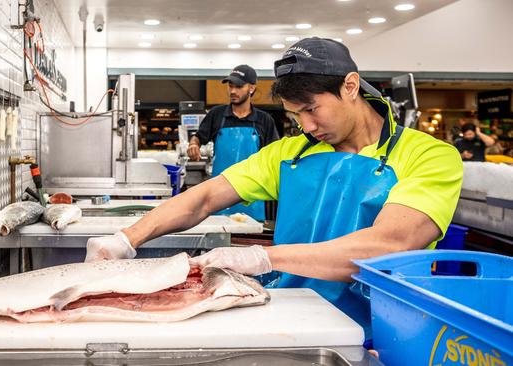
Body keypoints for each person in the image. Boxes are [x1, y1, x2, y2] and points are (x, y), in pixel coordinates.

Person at [85, 38, 463, 336]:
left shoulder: (430, 156)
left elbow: (388, 245)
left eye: (312, 109)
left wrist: (264, 258)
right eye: (295, 115)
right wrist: (126, 238)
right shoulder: (290, 153)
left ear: (350, 86)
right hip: (293, 315)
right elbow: (204, 198)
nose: (306, 127)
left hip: (381, 328)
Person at [187, 64, 279, 221]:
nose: (233, 91)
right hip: (220, 193)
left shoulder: (264, 120)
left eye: (239, 86)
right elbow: (198, 137)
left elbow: (274, 155)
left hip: (253, 195)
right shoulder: (216, 114)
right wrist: (193, 144)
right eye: (230, 86)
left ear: (251, 88)